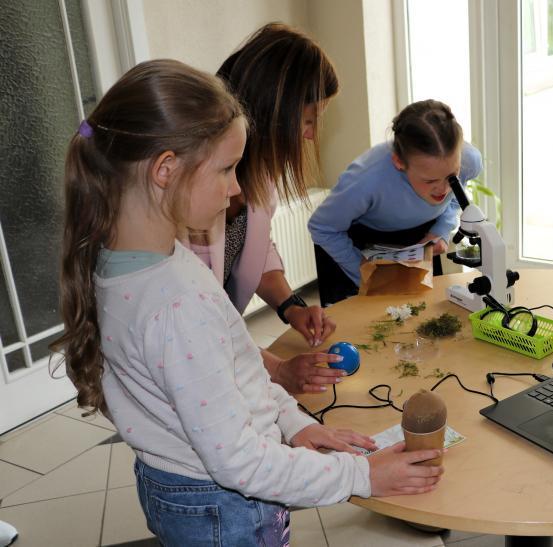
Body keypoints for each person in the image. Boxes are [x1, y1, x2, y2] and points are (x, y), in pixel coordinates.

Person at [51, 59, 444, 546]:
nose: (237, 187)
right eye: (226, 169)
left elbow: (239, 370)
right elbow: (242, 464)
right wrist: (363, 476)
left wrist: (293, 423)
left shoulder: (139, 259)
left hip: (178, 484)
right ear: (166, 170)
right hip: (223, 509)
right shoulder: (175, 305)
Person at [187, 22, 340, 394]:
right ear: (274, 112)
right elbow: (199, 323)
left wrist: (291, 305)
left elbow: (254, 248)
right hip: (188, 362)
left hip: (216, 353)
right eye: (308, 120)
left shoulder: (257, 170)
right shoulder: (195, 191)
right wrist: (278, 370)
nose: (310, 135)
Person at [309, 99, 483, 306]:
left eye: (451, 176)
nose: (443, 189)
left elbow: (455, 195)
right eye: (430, 181)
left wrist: (441, 230)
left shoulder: (469, 161)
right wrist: (365, 274)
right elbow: (322, 227)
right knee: (364, 320)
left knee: (424, 313)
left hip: (420, 239)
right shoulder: (366, 180)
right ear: (399, 162)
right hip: (355, 243)